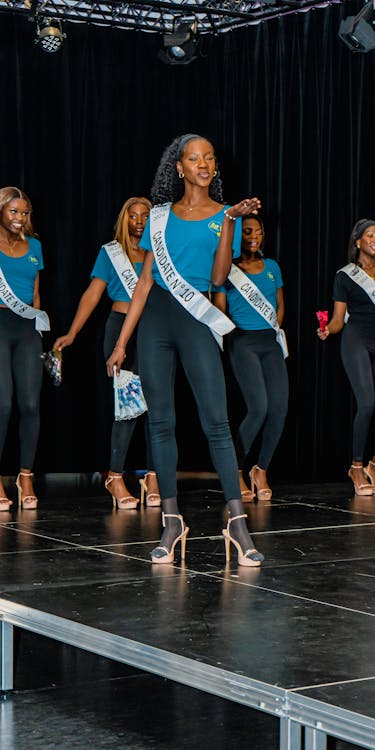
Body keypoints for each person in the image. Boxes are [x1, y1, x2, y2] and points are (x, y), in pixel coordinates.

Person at [106, 133, 265, 566]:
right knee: (160, 423)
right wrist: (122, 342)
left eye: (209, 158)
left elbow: (217, 278)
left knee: (217, 422)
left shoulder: (222, 215)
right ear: (179, 167)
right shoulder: (159, 217)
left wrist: (230, 220)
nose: (203, 164)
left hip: (195, 320)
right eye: (194, 158)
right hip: (155, 321)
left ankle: (237, 523)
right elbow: (143, 283)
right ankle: (172, 521)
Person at [54, 197, 161, 509]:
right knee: (128, 408)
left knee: (158, 406)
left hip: (154, 331)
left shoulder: (160, 253)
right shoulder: (110, 252)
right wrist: (72, 333)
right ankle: (115, 475)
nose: (139, 221)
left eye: (145, 215)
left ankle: (153, 475)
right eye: (134, 216)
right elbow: (92, 294)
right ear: (124, 220)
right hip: (119, 329)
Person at [317, 219, 375, 495]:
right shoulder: (345, 276)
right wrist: (328, 329)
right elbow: (339, 319)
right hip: (355, 338)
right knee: (366, 404)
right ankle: (356, 466)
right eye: (370, 235)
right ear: (358, 242)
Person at [213, 215, 288, 501]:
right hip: (243, 342)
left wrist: (275, 327)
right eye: (247, 231)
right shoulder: (228, 270)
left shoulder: (272, 267)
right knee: (258, 408)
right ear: (237, 237)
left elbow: (280, 305)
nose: (253, 236)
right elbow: (220, 311)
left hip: (270, 342)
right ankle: (235, 470)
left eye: (258, 231)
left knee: (279, 410)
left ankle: (261, 469)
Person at [0, 186, 49, 510]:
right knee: (2, 405)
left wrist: (42, 335)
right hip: (0, 326)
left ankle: (25, 475)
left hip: (27, 328)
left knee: (31, 404)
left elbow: (35, 295)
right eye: (13, 211)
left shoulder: (35, 246)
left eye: (25, 212)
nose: (20, 218)